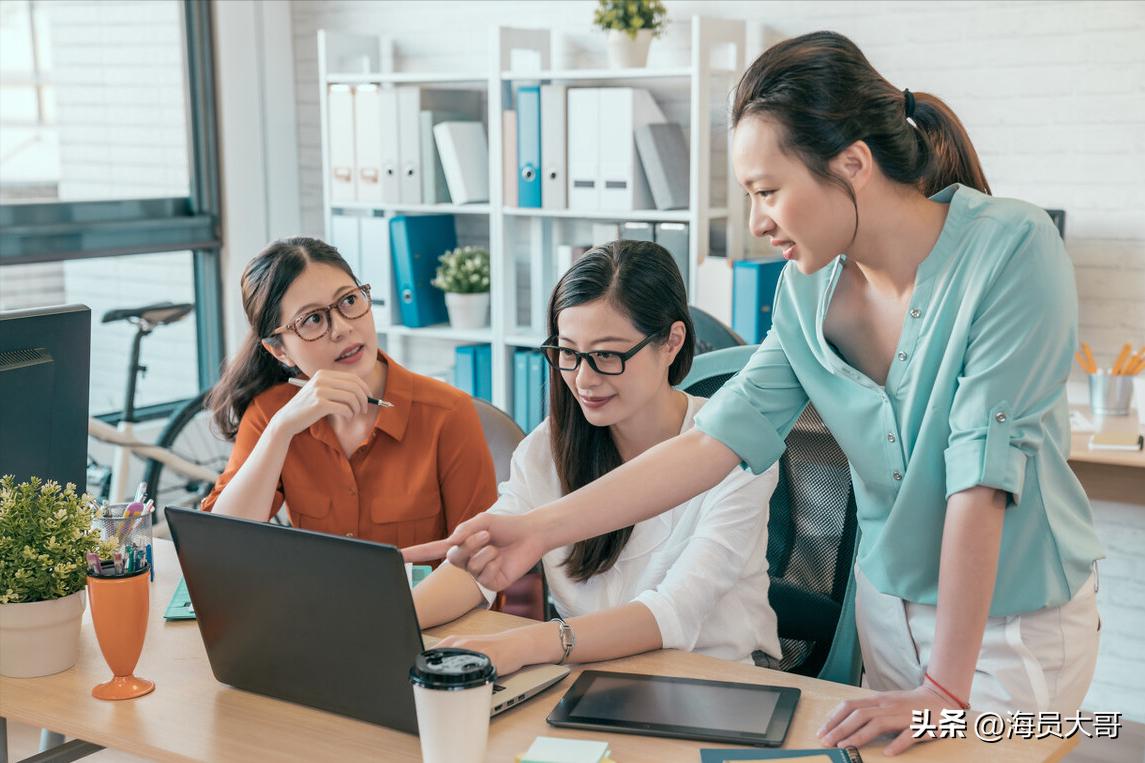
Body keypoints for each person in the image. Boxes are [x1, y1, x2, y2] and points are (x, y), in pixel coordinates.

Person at [406, 31, 1103, 756]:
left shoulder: (1010, 248)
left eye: (767, 191)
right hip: (889, 613)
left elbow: (979, 481)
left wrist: (945, 692)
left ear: (852, 164)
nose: (756, 222)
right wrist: (538, 529)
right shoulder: (805, 292)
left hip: (1009, 622)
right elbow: (713, 442)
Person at [413, 240, 781, 677]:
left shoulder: (733, 451)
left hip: (714, 679)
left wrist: (528, 643)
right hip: (592, 677)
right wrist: (392, 620)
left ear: (671, 342)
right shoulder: (548, 447)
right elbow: (484, 564)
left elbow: (674, 612)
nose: (584, 379)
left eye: (607, 354)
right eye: (569, 353)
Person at [201, 236, 497, 548]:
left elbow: (480, 562)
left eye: (349, 301)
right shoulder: (271, 414)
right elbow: (221, 541)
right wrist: (281, 430)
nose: (342, 328)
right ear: (280, 351)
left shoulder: (448, 414)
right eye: (313, 319)